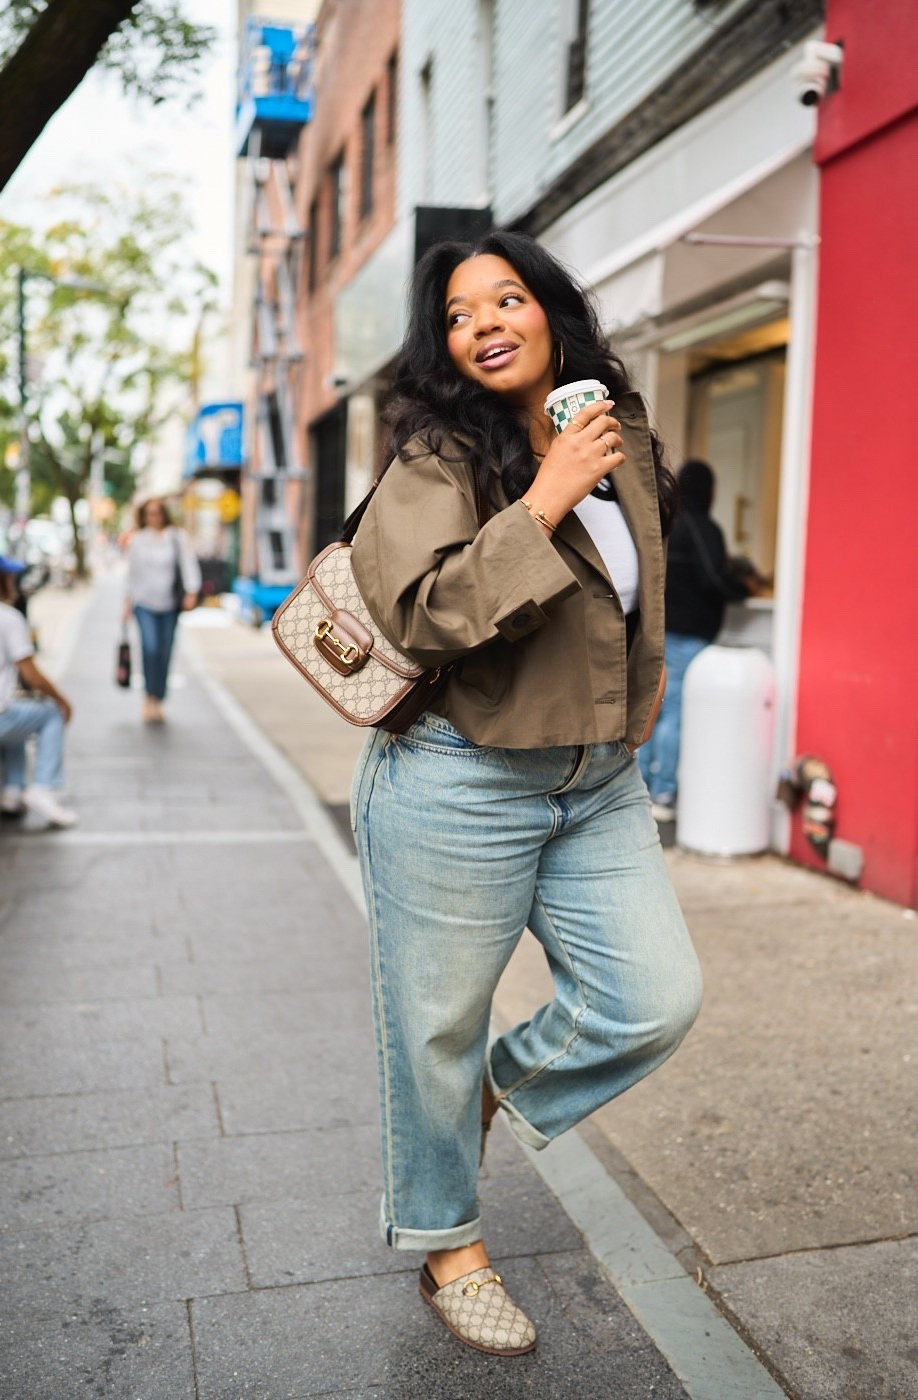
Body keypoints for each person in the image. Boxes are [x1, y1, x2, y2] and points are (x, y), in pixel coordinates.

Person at [349, 230, 703, 1357]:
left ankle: (482, 1093)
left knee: (653, 997)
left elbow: (645, 588)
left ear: (553, 312)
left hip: (596, 778)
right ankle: (452, 1246)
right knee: (435, 1024)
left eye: (509, 298)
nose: (487, 322)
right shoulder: (436, 457)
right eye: (460, 313)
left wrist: (641, 708)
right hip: (461, 777)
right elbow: (420, 614)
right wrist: (546, 498)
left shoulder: (614, 430)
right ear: (444, 343)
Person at [637, 458, 761, 821]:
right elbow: (714, 577)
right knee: (673, 712)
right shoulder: (702, 527)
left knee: (653, 709)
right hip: (687, 633)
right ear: (708, 490)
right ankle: (663, 793)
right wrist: (744, 587)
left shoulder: (663, 522)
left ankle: (641, 787)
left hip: (657, 629)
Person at [0, 548, 77, 828]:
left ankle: (12, 792)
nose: (14, 582)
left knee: (17, 708)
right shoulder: (5, 617)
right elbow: (32, 675)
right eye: (8, 576)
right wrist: (62, 700)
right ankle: (42, 787)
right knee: (49, 712)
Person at [122, 498, 201, 723]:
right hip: (143, 603)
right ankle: (148, 698)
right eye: (149, 513)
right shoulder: (137, 540)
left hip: (169, 605)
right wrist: (126, 602)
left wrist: (191, 592)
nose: (153, 518)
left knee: (165, 652)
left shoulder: (176, 538)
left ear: (164, 514)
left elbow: (188, 565)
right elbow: (131, 574)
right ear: (143, 516)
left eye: (157, 513)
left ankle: (159, 699)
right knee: (150, 649)